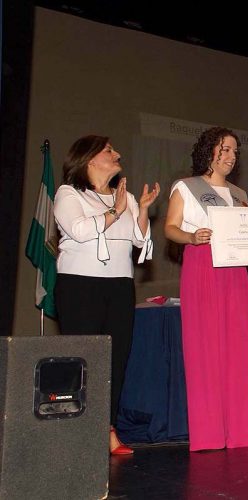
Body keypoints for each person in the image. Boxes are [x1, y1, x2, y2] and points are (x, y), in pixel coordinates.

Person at [53, 135, 159, 454]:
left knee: (116, 360)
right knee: (83, 359)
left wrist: (140, 210)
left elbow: (139, 241)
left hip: (119, 285)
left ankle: (108, 430)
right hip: (80, 285)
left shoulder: (119, 196)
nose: (118, 154)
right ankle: (76, 431)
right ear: (89, 159)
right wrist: (117, 210)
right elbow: (82, 231)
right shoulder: (69, 193)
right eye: (109, 151)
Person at [164, 127, 248, 451]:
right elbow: (170, 227)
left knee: (238, 348)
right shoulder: (186, 188)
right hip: (202, 266)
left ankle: (241, 433)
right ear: (209, 151)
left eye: (234, 151)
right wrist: (191, 237)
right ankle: (209, 434)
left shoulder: (239, 194)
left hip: (235, 272)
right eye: (225, 150)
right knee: (205, 348)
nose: (231, 157)